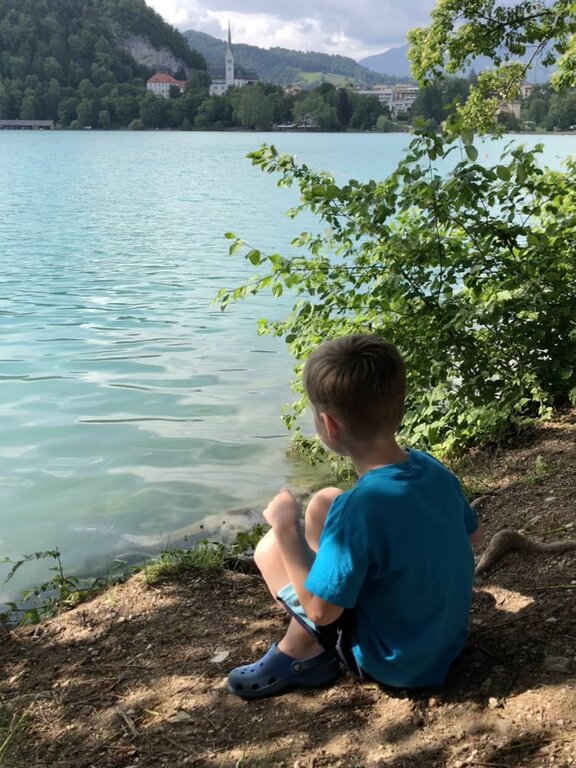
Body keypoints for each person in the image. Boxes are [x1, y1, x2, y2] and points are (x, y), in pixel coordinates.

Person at [227, 334, 482, 699]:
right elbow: (472, 538)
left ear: (329, 426)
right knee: (324, 500)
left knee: (269, 550)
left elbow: (321, 613)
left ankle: (300, 652)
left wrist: (285, 527)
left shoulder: (359, 509)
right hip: (441, 642)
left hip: (393, 661)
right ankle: (324, 609)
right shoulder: (432, 469)